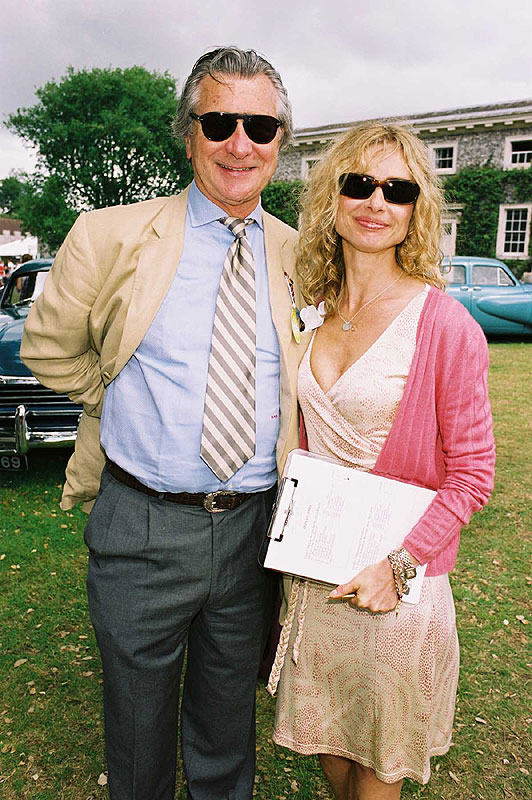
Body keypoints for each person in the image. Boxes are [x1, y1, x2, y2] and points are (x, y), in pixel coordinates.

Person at [21, 46, 308, 800]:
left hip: (253, 531)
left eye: (260, 125)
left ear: (280, 141)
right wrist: (113, 397)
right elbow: (49, 349)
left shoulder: (304, 253)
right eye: (219, 121)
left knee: (226, 728)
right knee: (138, 730)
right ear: (188, 133)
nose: (239, 142)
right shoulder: (109, 234)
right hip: (141, 524)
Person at [267, 122, 495, 800]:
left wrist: (399, 568)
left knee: (376, 771)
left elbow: (474, 474)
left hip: (397, 585)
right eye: (358, 184)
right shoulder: (312, 310)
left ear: (415, 209)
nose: (375, 202)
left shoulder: (445, 324)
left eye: (396, 190)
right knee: (333, 757)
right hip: (317, 576)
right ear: (332, 198)